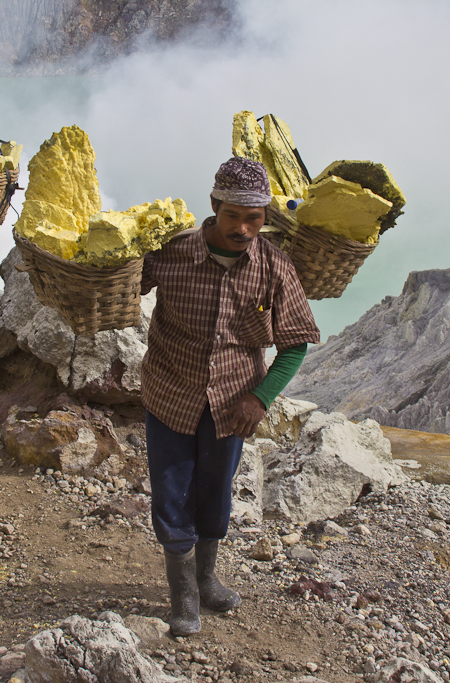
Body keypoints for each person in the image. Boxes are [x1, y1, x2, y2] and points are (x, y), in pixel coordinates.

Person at [141, 156, 320, 636]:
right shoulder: (172, 252)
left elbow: (294, 343)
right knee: (171, 490)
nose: (243, 228)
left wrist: (260, 399)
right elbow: (120, 283)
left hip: (232, 405)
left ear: (266, 217)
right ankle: (183, 597)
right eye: (233, 216)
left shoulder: (275, 267)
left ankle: (206, 578)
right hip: (169, 391)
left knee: (216, 492)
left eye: (255, 218)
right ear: (215, 206)